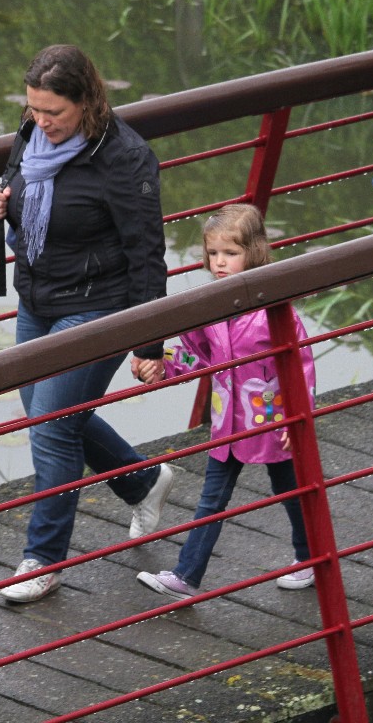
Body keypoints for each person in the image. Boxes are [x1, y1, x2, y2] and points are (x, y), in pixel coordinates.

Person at [0, 44, 175, 604]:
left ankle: (43, 560)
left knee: (51, 425)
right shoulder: (31, 133)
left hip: (99, 303)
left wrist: (150, 343)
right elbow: (17, 185)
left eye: (54, 113)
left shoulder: (125, 158)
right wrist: (1, 204)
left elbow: (147, 253)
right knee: (50, 413)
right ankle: (143, 480)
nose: (41, 121)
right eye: (34, 109)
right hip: (37, 297)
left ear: (87, 102)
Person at [130, 205, 317, 599]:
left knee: (291, 490)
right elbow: (198, 356)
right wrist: (162, 364)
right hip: (227, 424)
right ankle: (186, 576)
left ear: (255, 251)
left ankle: (310, 556)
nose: (219, 262)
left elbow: (299, 364)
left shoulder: (273, 309)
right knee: (212, 499)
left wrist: (298, 416)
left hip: (272, 421)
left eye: (230, 253)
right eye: (213, 253)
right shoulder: (211, 305)